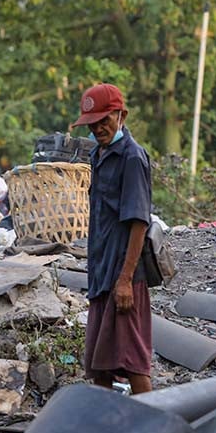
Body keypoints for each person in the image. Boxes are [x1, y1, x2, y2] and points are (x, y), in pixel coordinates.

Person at [72, 83, 153, 394]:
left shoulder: (132, 158)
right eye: (93, 123)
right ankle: (104, 431)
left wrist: (125, 279)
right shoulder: (98, 153)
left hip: (124, 278)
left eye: (105, 120)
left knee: (133, 362)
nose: (98, 128)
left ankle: (155, 431)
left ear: (122, 115)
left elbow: (138, 222)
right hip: (101, 274)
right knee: (100, 364)